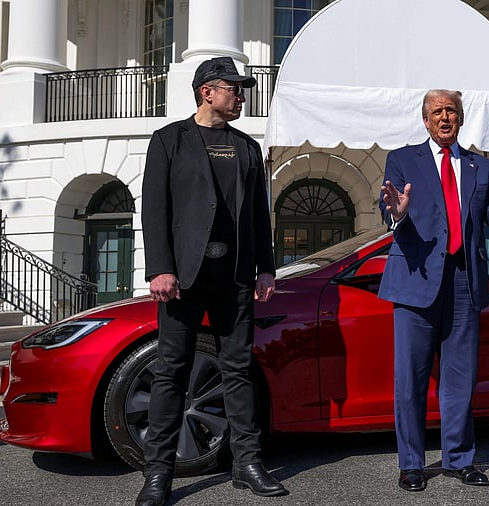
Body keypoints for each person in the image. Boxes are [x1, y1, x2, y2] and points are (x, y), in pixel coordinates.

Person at [378, 89, 489, 492]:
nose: (444, 117)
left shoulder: (480, 166)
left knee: (460, 379)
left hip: (464, 282)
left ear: (461, 118)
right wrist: (396, 213)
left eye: (451, 110)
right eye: (437, 111)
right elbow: (388, 206)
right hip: (416, 281)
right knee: (411, 380)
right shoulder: (402, 159)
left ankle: (459, 459)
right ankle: (411, 465)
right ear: (425, 120)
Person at [137, 56, 284, 506]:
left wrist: (265, 267)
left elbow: (258, 213)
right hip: (183, 278)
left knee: (238, 371)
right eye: (234, 89)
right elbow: (154, 208)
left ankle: (247, 463)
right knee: (171, 373)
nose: (241, 97)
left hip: (235, 277)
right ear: (207, 91)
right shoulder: (169, 140)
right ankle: (158, 473)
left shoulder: (246, 147)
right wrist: (159, 268)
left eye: (241, 90)